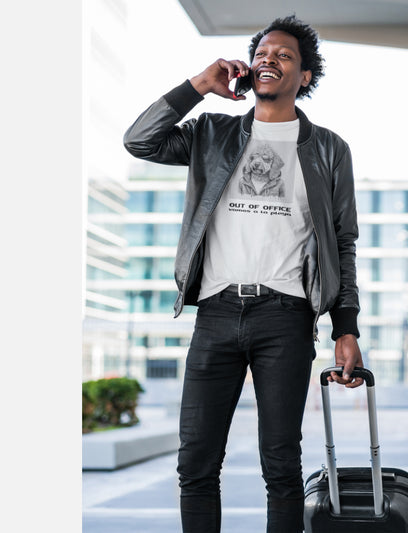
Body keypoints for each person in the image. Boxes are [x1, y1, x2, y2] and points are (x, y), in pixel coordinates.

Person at [123, 15, 364, 533]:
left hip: (286, 317)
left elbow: (342, 244)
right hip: (215, 312)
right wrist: (198, 87)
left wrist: (347, 327)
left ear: (304, 77)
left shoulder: (327, 149)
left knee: (280, 465)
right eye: (262, 53)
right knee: (196, 464)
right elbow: (139, 141)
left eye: (283, 56)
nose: (267, 60)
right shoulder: (212, 133)